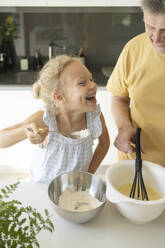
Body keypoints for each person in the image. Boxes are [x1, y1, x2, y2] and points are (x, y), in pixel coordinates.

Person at [0, 55, 110, 183]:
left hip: (74, 188)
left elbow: (104, 144)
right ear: (59, 97)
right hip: (42, 187)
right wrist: (25, 131)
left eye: (91, 79)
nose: (93, 85)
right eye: (82, 83)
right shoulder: (46, 118)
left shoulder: (94, 115)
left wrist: (88, 174)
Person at [107, 0, 165, 167]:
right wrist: (124, 127)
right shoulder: (133, 49)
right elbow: (120, 98)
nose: (156, 38)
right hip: (136, 164)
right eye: (150, 27)